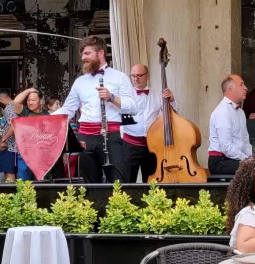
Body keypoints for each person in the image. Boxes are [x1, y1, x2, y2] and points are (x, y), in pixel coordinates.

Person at [55, 35, 136, 183]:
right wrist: (46, 119)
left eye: (87, 53)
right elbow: (68, 109)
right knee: (90, 184)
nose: (83, 58)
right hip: (85, 139)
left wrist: (111, 97)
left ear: (100, 53)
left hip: (111, 136)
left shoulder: (120, 77)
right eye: (82, 54)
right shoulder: (80, 82)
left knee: (118, 183)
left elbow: (133, 108)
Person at [122, 63, 177, 183]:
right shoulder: (124, 95)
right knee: (127, 182)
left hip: (151, 145)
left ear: (148, 76)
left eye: (140, 75)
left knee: (151, 182)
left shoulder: (158, 95)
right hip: (130, 144)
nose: (136, 79)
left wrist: (171, 101)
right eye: (133, 76)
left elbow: (172, 116)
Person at [208, 75, 252, 176]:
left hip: (234, 159)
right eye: (241, 85)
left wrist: (251, 158)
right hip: (220, 161)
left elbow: (245, 141)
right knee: (253, 169)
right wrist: (246, 160)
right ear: (230, 90)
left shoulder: (240, 112)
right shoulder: (223, 111)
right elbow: (226, 147)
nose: (245, 88)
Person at [12, 87, 49, 181]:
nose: (30, 102)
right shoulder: (24, 112)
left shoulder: (48, 115)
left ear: (41, 101)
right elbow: (16, 102)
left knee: (40, 186)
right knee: (24, 186)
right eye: (28, 100)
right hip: (25, 155)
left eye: (33, 100)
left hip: (41, 156)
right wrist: (29, 90)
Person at [0, 88, 17, 182]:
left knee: (9, 174)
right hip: (12, 146)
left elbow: (13, 126)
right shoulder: (14, 106)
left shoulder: (10, 108)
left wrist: (3, 139)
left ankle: (11, 195)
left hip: (10, 147)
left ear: (1, 99)